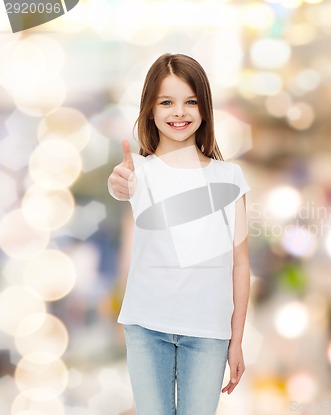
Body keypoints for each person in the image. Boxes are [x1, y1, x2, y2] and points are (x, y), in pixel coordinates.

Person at [107, 53, 251, 415]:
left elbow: (240, 264)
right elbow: (119, 186)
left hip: (209, 332)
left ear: (204, 109)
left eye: (190, 101)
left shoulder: (229, 178)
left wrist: (237, 341)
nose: (179, 112)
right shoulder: (136, 171)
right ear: (150, 110)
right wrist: (119, 184)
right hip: (146, 327)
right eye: (166, 102)